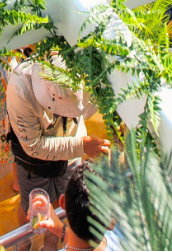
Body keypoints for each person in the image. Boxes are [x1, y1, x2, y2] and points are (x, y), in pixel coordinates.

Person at [6, 57, 109, 233]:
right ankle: (23, 244)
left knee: (67, 201)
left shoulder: (89, 68)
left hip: (72, 153)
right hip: (34, 163)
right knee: (30, 207)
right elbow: (33, 146)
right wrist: (81, 146)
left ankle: (54, 240)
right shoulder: (20, 88)